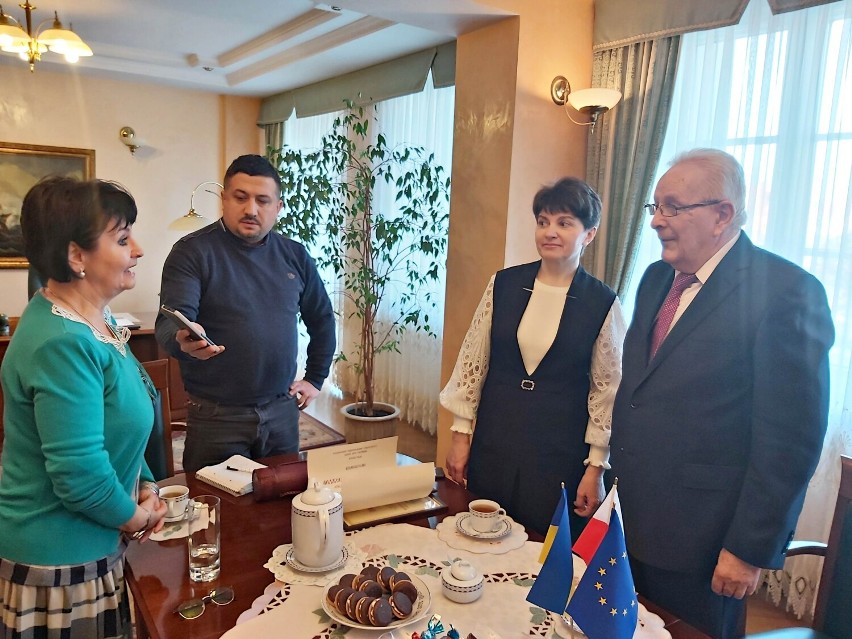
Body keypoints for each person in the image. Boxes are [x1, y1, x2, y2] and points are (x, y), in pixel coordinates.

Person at [611, 149, 834, 638]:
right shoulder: (654, 280)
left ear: (723, 215)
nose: (657, 222)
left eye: (672, 207)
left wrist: (748, 549)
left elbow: (790, 441)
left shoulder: (786, 292)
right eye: (655, 208)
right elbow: (640, 389)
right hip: (632, 518)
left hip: (706, 540)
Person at [0, 177, 167, 638]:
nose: (138, 248)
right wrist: (138, 519)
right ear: (77, 257)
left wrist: (147, 485)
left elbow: (123, 420)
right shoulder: (61, 343)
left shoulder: (97, 321)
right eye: (121, 238)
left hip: (97, 539)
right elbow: (79, 475)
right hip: (60, 556)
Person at [440, 177, 626, 539]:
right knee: (481, 530)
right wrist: (461, 436)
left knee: (543, 543)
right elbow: (472, 363)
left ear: (589, 234)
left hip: (559, 446)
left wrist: (596, 467)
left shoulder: (602, 302)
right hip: (497, 434)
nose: (550, 232)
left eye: (564, 223)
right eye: (543, 222)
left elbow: (607, 391)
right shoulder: (504, 284)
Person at [156, 154, 335, 473]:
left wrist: (315, 379)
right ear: (224, 199)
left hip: (281, 411)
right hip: (217, 417)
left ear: (278, 208)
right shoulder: (192, 252)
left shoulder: (294, 255)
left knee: (281, 507)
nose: (251, 209)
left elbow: (321, 319)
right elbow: (171, 322)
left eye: (263, 200)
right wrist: (183, 340)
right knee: (217, 513)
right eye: (240, 198)